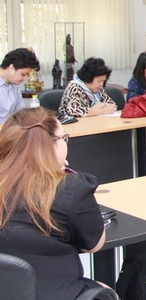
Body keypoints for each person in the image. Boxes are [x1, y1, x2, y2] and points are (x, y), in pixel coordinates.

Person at [0, 108, 107, 299]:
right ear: (51, 144)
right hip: (57, 293)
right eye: (63, 137)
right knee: (106, 290)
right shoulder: (70, 188)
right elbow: (93, 245)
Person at [0, 48, 40, 123]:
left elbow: (21, 113)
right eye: (23, 74)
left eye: (27, 75)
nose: (25, 78)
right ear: (11, 67)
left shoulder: (14, 85)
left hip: (12, 128)